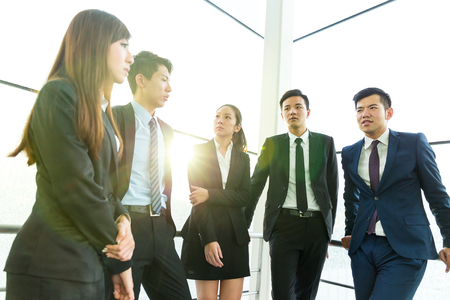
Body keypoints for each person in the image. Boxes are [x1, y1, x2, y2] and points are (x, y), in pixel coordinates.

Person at [4, 9, 135, 300]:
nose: (130, 56)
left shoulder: (98, 110)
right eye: (124, 45)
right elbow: (78, 188)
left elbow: (107, 190)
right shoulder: (59, 94)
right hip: (51, 267)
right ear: (96, 43)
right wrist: (120, 259)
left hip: (85, 265)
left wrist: (124, 220)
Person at [341, 87, 450, 300]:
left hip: (405, 248)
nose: (365, 114)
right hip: (363, 248)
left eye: (372, 108)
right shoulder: (349, 153)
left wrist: (449, 238)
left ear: (388, 113)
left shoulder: (414, 143)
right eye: (359, 110)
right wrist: (350, 230)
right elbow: (351, 196)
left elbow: (437, 194)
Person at [107, 51, 191, 300]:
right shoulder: (113, 117)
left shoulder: (166, 131)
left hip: (161, 228)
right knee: (121, 296)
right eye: (164, 79)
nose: (170, 88)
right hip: (127, 226)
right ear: (141, 80)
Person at [245, 89, 339, 299]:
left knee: (307, 293)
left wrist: (327, 232)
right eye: (287, 108)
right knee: (282, 293)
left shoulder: (326, 143)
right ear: (282, 115)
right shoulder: (272, 144)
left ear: (308, 111)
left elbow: (332, 191)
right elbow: (255, 186)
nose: (292, 111)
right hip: (283, 227)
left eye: (298, 107)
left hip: (316, 228)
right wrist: (244, 224)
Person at [181, 104, 251, 300]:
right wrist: (209, 239)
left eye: (227, 117)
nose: (220, 120)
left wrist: (210, 194)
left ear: (237, 127)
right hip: (205, 231)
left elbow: (245, 196)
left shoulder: (243, 159)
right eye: (217, 116)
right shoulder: (197, 151)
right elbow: (198, 200)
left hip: (235, 237)